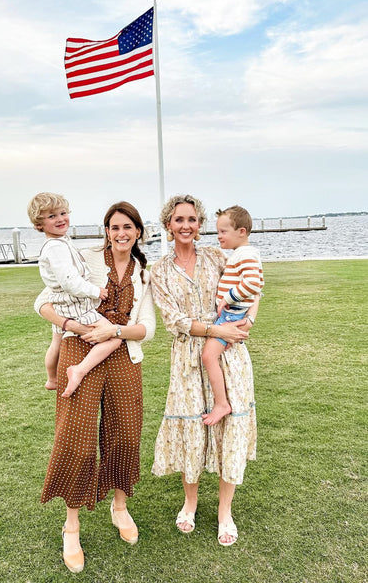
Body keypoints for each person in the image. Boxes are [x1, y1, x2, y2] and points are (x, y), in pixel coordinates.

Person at [34, 201, 155, 572]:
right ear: (106, 230)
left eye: (128, 227)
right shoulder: (83, 256)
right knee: (77, 436)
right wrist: (74, 326)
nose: (121, 233)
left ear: (138, 232)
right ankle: (71, 526)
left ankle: (120, 507)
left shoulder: (144, 273)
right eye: (114, 227)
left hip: (121, 355)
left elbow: (146, 327)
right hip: (78, 347)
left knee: (124, 435)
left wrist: (115, 330)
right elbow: (43, 300)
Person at [150, 194, 259, 547]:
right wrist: (218, 330)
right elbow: (174, 321)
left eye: (192, 219)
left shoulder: (218, 256)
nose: (186, 226)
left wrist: (248, 320)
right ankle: (190, 503)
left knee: (231, 428)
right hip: (188, 357)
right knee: (193, 431)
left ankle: (225, 511)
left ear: (200, 225)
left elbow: (255, 283)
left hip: (229, 352)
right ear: (168, 224)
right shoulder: (160, 271)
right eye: (179, 219)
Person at [27, 192, 122, 398]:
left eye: (62, 213)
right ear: (39, 224)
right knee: (114, 337)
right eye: (52, 216)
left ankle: (51, 378)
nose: (60, 219)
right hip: (76, 307)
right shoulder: (55, 248)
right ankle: (79, 369)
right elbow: (70, 282)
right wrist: (95, 291)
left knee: (56, 343)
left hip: (60, 304)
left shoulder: (60, 243)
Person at [202, 206, 264, 425]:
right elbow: (260, 283)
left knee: (208, 356)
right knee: (215, 353)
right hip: (233, 314)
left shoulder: (245, 254)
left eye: (223, 232)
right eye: (218, 232)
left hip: (229, 316)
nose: (219, 236)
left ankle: (222, 403)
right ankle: (223, 401)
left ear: (242, 231)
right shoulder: (244, 254)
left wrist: (227, 298)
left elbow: (253, 285)